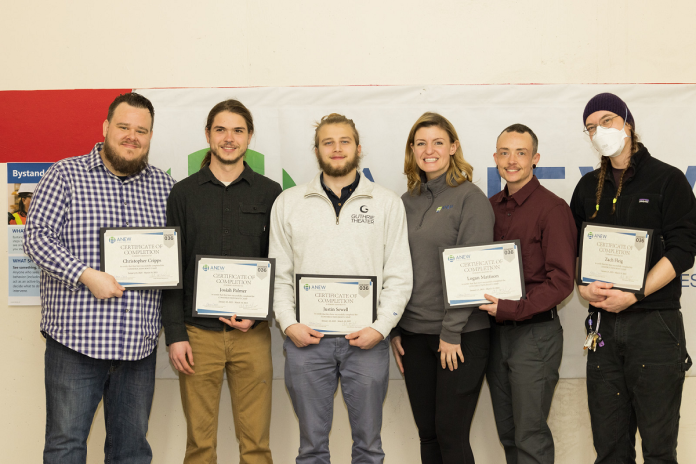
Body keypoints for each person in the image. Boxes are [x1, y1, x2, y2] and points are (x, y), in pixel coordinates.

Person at [23, 92, 175, 464]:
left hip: (137, 347)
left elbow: (174, 260)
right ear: (106, 128)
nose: (132, 136)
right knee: (66, 445)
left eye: (141, 130)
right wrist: (86, 274)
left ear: (151, 136)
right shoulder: (65, 174)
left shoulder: (164, 187)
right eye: (124, 127)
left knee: (132, 450)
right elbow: (36, 238)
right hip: (76, 343)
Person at [269, 113, 413, 463]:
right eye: (328, 142)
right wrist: (289, 325)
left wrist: (380, 329)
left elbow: (399, 274)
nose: (336, 148)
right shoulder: (289, 203)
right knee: (312, 448)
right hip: (307, 343)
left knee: (368, 447)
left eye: (344, 141)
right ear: (316, 150)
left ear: (358, 148)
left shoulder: (387, 202)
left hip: (366, 342)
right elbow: (279, 275)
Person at [570, 93, 695, 464]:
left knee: (658, 448)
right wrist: (582, 286)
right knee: (609, 448)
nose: (599, 131)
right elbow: (576, 251)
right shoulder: (587, 188)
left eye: (607, 120)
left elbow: (683, 249)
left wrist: (636, 293)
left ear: (628, 123)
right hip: (603, 327)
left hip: (655, 325)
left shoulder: (668, 180)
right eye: (591, 127)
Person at [162, 99, 282, 464]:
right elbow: (172, 270)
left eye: (238, 130)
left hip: (252, 335)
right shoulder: (183, 193)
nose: (229, 138)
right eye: (221, 129)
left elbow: (278, 262)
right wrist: (175, 334)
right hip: (197, 336)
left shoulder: (270, 192)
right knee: (199, 446)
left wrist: (260, 315)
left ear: (249, 137)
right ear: (208, 135)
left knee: (257, 445)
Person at [389, 112, 493, 463]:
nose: (429, 150)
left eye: (437, 142)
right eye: (420, 143)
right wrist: (397, 328)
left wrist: (450, 332)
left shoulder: (470, 198)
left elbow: (473, 273)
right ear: (412, 150)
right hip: (415, 336)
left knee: (451, 434)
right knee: (429, 434)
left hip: (460, 336)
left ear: (453, 147)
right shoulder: (405, 202)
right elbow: (397, 270)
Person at [480, 124, 576, 464]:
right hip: (495, 335)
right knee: (508, 433)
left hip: (535, 336)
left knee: (530, 435)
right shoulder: (487, 207)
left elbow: (562, 281)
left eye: (521, 152)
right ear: (495, 158)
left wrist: (512, 307)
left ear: (535, 159)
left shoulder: (552, 209)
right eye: (504, 152)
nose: (512, 160)